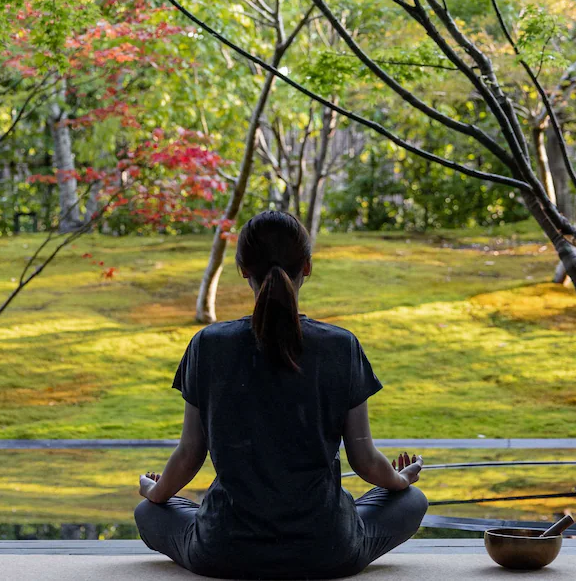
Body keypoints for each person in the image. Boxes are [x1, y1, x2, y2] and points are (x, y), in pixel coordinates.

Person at [135, 210, 427, 579]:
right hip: (327, 549)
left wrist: (156, 492)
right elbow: (365, 461)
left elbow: (190, 454)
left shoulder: (208, 345)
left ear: (243, 269)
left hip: (224, 550)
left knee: (147, 512)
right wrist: (401, 481)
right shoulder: (341, 346)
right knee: (412, 501)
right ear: (307, 266)